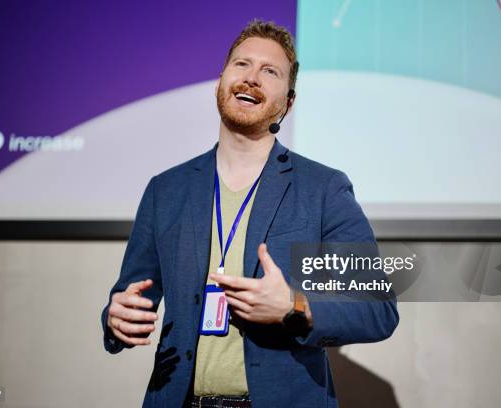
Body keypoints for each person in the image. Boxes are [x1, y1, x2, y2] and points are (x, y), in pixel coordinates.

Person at [101, 19, 399, 407]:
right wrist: (116, 317)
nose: (251, 78)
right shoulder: (166, 190)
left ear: (288, 102)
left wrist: (294, 307)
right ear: (220, 81)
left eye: (269, 71)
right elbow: (129, 295)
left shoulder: (323, 189)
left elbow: (378, 311)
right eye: (241, 65)